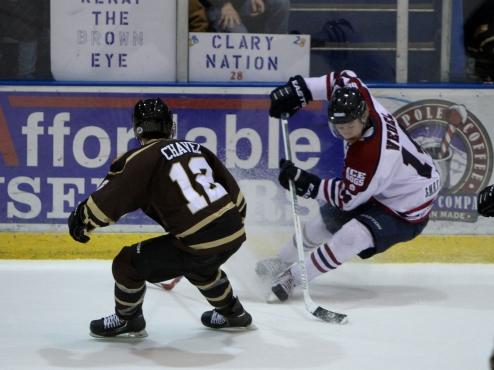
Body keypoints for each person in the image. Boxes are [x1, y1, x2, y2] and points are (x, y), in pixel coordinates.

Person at [68, 98, 252, 337]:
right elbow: (237, 198)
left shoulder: (140, 158)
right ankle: (234, 313)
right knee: (201, 267)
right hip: (234, 231)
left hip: (198, 241)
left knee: (127, 263)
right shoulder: (196, 148)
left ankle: (128, 319)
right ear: (169, 126)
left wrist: (81, 219)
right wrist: (222, 229)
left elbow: (111, 198)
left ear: (138, 129)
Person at [256, 70, 441, 302]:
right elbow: (343, 77)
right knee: (322, 224)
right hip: (390, 183)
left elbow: (346, 199)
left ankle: (293, 277)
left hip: (407, 204)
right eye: (339, 126)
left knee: (352, 236)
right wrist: (301, 90)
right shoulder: (360, 98)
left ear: (363, 117)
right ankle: (282, 261)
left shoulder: (370, 155)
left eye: (350, 126)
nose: (345, 133)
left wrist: (308, 184)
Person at [202, 0, 290, 34]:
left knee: (281, 3)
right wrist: (225, 4)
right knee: (240, 36)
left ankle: (276, 51)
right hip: (218, 6)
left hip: (242, 4)